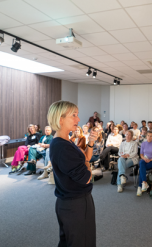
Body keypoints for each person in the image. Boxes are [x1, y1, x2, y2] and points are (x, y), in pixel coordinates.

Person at [48, 100, 98, 246]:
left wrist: (91, 143)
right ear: (60, 119)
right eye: (74, 115)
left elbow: (85, 158)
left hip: (71, 202)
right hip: (75, 205)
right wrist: (87, 164)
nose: (78, 119)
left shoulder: (65, 141)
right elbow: (86, 177)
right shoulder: (63, 147)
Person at [137, 131, 152, 196]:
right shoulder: (143, 144)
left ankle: (140, 187)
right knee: (141, 162)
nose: (149, 137)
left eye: (151, 136)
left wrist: (150, 160)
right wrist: (145, 159)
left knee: (141, 168)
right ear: (146, 136)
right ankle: (144, 182)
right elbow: (141, 155)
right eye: (148, 135)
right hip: (145, 159)